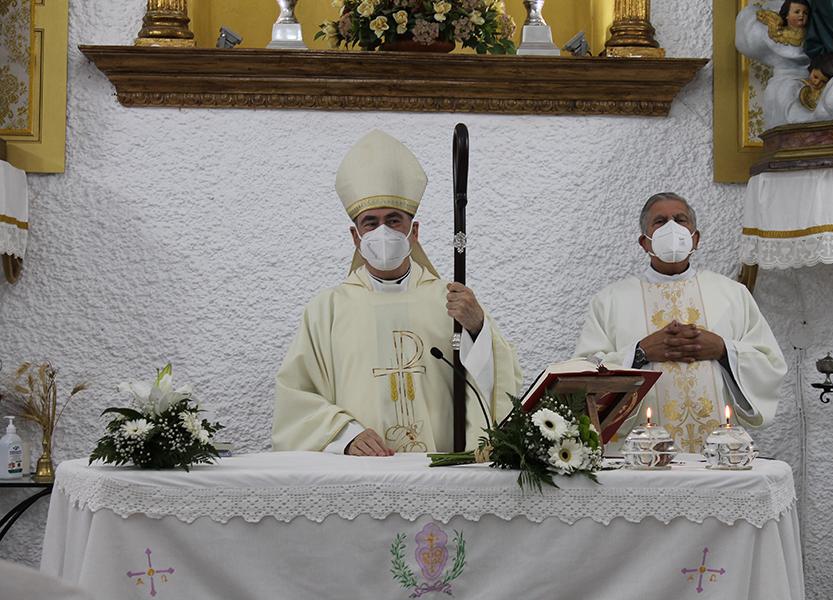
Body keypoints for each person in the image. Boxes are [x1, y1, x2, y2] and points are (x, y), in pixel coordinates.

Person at [273, 130, 521, 456]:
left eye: (394, 220)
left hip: (439, 473)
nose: (383, 232)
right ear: (355, 236)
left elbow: (500, 381)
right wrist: (345, 435)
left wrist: (478, 328)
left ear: (414, 231)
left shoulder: (450, 301)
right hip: (360, 475)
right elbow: (295, 396)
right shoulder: (327, 311)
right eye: (370, 223)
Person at [574, 193, 787, 453]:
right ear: (645, 242)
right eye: (660, 221)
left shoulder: (733, 294)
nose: (671, 227)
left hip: (717, 454)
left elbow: (770, 365)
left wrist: (723, 351)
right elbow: (583, 376)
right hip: (639, 455)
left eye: (680, 219)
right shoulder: (610, 301)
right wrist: (640, 353)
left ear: (695, 238)